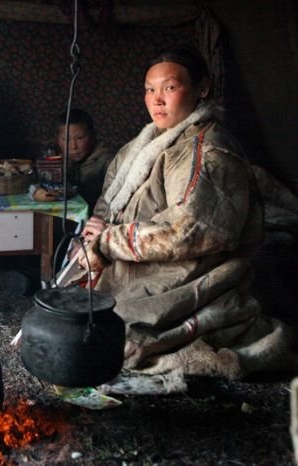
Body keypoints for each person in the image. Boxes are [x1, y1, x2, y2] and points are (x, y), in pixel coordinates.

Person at [73, 44, 298, 379]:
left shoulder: (209, 151)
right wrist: (98, 228)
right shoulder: (141, 146)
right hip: (135, 265)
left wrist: (109, 241)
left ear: (201, 88)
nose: (157, 100)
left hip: (188, 272)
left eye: (170, 87)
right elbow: (112, 201)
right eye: (150, 89)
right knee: (75, 319)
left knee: (114, 339)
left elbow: (193, 230)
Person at [53, 109, 114, 209]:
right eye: (66, 139)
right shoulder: (57, 163)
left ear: (92, 136)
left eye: (80, 138)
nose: (73, 146)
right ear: (57, 140)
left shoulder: (108, 161)